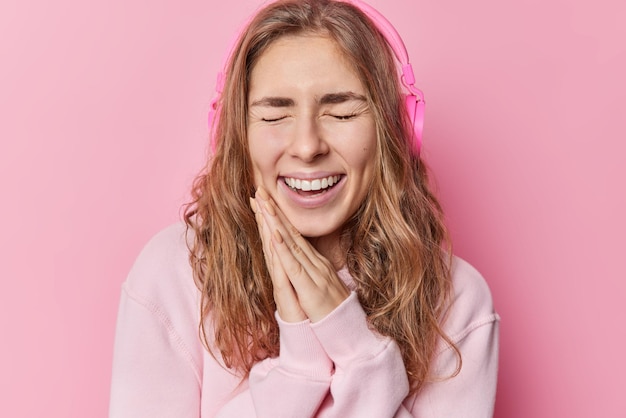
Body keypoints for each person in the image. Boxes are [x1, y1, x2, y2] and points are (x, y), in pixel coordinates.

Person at [109, 0, 500, 416]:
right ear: (235, 134)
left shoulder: (457, 301)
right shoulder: (171, 274)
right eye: (275, 115)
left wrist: (358, 350)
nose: (308, 146)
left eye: (341, 112)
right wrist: (299, 370)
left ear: (396, 129)